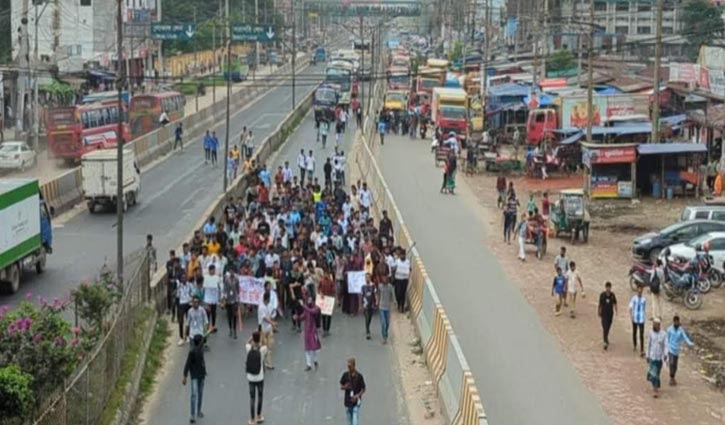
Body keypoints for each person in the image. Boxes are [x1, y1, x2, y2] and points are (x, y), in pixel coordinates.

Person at [183, 334, 206, 423]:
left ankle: (197, 412)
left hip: (200, 375)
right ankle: (194, 414)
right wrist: (185, 376)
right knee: (196, 394)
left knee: (197, 394)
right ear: (200, 343)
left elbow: (204, 337)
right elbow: (187, 364)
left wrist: (185, 376)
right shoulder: (192, 352)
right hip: (195, 376)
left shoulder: (199, 349)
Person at [245, 331, 268, 425]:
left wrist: (251, 337)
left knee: (252, 398)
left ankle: (252, 419)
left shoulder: (248, 348)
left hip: (250, 377)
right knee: (260, 396)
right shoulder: (262, 349)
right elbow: (265, 345)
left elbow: (246, 342)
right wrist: (262, 338)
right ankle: (259, 415)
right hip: (260, 376)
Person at [666, 315, 694, 386]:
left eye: (678, 322)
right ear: (674, 322)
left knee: (675, 366)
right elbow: (667, 340)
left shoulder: (681, 330)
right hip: (671, 349)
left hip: (677, 350)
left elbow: (685, 338)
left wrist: (690, 344)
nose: (677, 323)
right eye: (675, 322)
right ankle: (671, 378)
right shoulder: (669, 329)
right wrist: (666, 349)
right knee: (671, 363)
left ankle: (673, 377)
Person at [297, 296, 322, 371]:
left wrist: (303, 305)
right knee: (307, 349)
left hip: (313, 331)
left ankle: (315, 361)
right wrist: (298, 317)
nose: (309, 301)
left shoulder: (316, 308)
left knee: (313, 347)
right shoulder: (307, 309)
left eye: (310, 300)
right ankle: (309, 364)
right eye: (308, 300)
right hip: (307, 331)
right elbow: (303, 316)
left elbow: (311, 311)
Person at [340, 358, 366, 425]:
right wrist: (345, 387)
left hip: (356, 403)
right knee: (349, 422)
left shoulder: (359, 376)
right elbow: (341, 386)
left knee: (354, 421)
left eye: (350, 366)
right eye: (348, 366)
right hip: (348, 402)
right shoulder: (345, 375)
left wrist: (357, 395)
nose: (349, 368)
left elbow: (364, 388)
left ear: (354, 366)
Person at [646, 318, 667, 398]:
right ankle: (655, 390)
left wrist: (665, 354)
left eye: (656, 324)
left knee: (657, 373)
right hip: (652, 357)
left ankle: (655, 386)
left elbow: (665, 345)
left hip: (659, 357)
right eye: (653, 324)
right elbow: (648, 344)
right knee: (654, 374)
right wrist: (647, 356)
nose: (654, 326)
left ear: (659, 325)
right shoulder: (651, 333)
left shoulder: (663, 334)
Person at [258, 292, 277, 369]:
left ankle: (269, 363)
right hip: (263, 329)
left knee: (269, 347)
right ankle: (261, 361)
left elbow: (269, 316)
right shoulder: (261, 307)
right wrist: (272, 323)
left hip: (268, 329)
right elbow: (265, 318)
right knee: (263, 347)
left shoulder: (268, 306)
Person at [598, 281, 617, 350]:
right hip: (604, 314)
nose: (608, 289)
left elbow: (615, 303)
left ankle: (606, 337)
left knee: (608, 327)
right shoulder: (602, 295)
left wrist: (616, 310)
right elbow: (600, 304)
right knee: (605, 327)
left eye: (609, 287)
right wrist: (599, 312)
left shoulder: (612, 295)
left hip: (610, 314)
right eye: (607, 287)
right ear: (605, 288)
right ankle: (605, 341)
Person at [629, 286, 647, 357]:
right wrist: (631, 315)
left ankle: (642, 349)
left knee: (641, 334)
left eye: (641, 291)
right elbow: (630, 306)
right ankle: (635, 344)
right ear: (637, 291)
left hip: (642, 319)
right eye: (638, 291)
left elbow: (644, 308)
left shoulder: (644, 300)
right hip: (635, 318)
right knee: (634, 332)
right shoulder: (634, 299)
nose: (639, 292)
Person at [221, 271, 239, 339]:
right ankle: (230, 329)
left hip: (234, 299)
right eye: (231, 272)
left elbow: (238, 289)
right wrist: (224, 297)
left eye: (233, 272)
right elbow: (225, 289)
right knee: (229, 316)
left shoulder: (236, 279)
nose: (232, 273)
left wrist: (238, 298)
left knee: (234, 316)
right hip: (228, 299)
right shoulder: (227, 279)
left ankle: (234, 330)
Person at [392, 248, 410, 313]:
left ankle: (402, 307)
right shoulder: (397, 261)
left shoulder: (407, 261)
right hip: (398, 279)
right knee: (398, 293)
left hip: (404, 280)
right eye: (401, 255)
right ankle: (399, 303)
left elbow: (409, 269)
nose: (402, 256)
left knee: (403, 293)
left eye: (403, 255)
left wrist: (409, 270)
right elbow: (393, 268)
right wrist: (394, 269)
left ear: (405, 255)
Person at [378, 276, 394, 344]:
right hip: (381, 307)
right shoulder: (380, 286)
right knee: (383, 323)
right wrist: (377, 302)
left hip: (388, 307)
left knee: (387, 323)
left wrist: (393, 302)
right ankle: (384, 337)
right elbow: (378, 294)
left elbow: (392, 295)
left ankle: (386, 333)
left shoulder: (390, 287)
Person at [361, 273, 376, 340]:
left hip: (371, 304)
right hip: (365, 304)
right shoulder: (363, 286)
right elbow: (361, 295)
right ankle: (368, 331)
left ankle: (368, 326)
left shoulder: (373, 286)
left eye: (368, 277)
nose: (367, 279)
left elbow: (375, 294)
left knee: (370, 317)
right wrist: (360, 305)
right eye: (366, 277)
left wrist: (377, 301)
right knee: (366, 317)